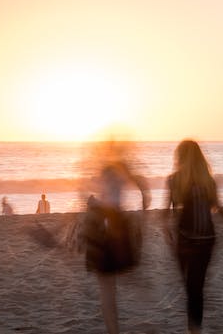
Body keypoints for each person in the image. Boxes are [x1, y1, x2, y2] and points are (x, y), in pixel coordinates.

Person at [164, 139, 223, 334]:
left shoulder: (175, 179)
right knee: (194, 288)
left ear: (180, 157)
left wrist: (166, 229)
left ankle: (194, 330)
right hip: (205, 240)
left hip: (186, 240)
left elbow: (165, 214)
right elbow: (222, 208)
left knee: (192, 289)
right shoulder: (206, 181)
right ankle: (194, 328)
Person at [80, 138, 151, 334]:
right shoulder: (121, 166)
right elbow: (141, 186)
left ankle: (114, 330)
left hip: (105, 225)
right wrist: (144, 205)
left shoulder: (105, 168)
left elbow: (97, 196)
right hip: (117, 222)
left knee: (107, 287)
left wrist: (92, 202)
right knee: (116, 282)